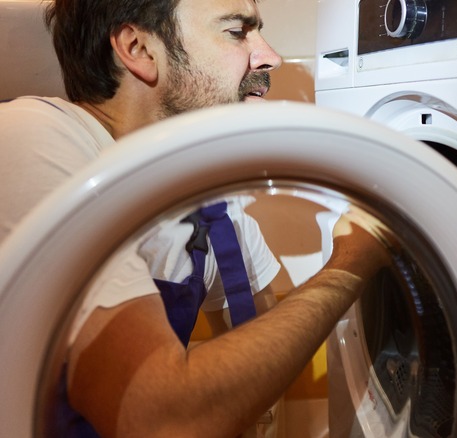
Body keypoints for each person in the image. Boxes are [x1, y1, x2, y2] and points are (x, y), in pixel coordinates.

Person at [0, 0, 390, 436]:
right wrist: (350, 263)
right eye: (237, 31)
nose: (270, 57)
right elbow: (162, 418)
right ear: (139, 49)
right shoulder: (28, 137)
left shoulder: (210, 205)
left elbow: (258, 374)